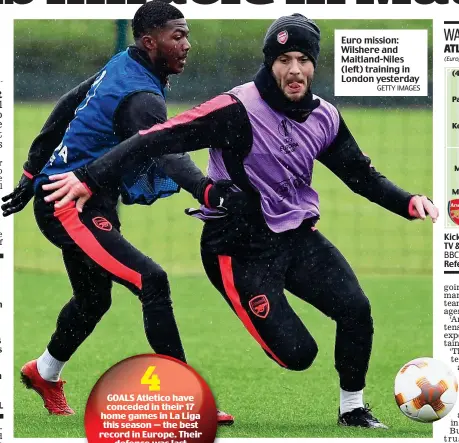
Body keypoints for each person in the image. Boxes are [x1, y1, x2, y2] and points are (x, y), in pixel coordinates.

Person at [41, 14, 438, 429]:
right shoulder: (236, 109)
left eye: (303, 58)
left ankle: (352, 408)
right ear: (270, 63)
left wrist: (409, 202)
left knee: (356, 309)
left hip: (295, 235)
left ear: (314, 64)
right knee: (298, 355)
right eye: (283, 59)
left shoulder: (324, 117)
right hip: (236, 247)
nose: (294, 69)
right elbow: (158, 137)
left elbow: (360, 176)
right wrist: (90, 176)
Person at [2, 1, 235, 425]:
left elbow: (66, 106)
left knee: (94, 299)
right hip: (67, 204)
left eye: (187, 34)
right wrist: (207, 189)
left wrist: (30, 170)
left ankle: (44, 372)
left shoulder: (123, 64)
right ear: (150, 43)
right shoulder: (141, 97)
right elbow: (167, 152)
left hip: (87, 199)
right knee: (152, 279)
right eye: (177, 36)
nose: (187, 45)